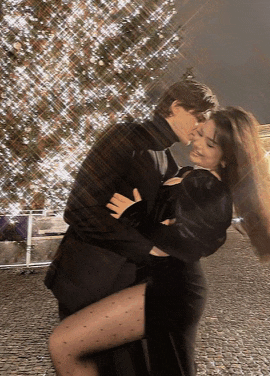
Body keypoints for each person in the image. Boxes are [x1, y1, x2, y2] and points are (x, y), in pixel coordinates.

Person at [48, 107, 270, 376]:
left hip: (170, 291)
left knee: (64, 343)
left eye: (210, 144)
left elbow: (180, 244)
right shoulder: (189, 173)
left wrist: (135, 215)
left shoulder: (208, 187)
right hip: (161, 285)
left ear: (227, 158)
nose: (197, 143)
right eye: (200, 134)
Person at [44, 79, 219, 376]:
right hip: (91, 283)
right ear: (175, 107)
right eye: (199, 118)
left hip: (129, 287)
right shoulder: (123, 136)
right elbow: (80, 209)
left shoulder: (167, 158)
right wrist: (147, 248)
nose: (200, 128)